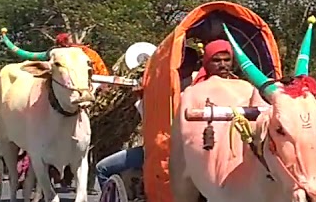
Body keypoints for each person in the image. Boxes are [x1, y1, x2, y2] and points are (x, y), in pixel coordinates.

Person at [94, 39, 238, 189]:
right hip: (187, 149)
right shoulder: (194, 87)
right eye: (217, 60)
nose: (222, 65)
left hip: (168, 150)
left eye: (226, 60)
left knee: (103, 168)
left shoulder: (175, 89)